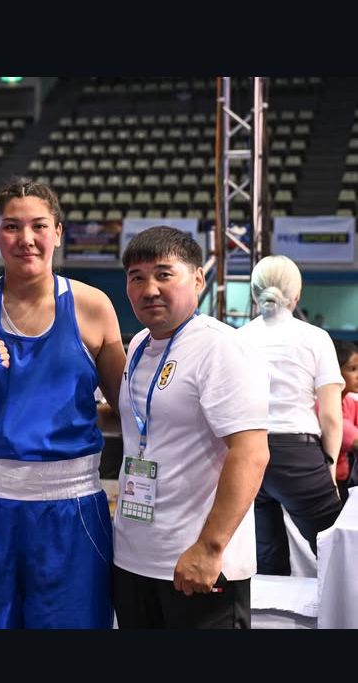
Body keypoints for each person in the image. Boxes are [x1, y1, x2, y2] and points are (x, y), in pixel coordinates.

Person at [0, 177, 126, 629]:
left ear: (58, 232)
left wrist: (73, 416)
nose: (26, 238)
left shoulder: (93, 306)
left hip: (70, 505)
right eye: (12, 227)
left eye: (38, 225)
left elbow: (126, 411)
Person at [113, 226, 270, 629]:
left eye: (164, 274)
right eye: (136, 277)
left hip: (198, 563)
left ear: (198, 279)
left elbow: (251, 452)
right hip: (134, 558)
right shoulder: (139, 345)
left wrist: (210, 547)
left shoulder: (221, 347)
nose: (149, 289)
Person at [237, 254, 343, 576]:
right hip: (298, 455)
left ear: (254, 293)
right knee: (337, 551)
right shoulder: (315, 338)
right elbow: (331, 417)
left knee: (267, 558)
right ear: (297, 294)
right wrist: (330, 465)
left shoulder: (236, 339)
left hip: (247, 452)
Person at [333, 339, 358, 502]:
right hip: (326, 482)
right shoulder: (321, 404)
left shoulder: (349, 401)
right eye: (352, 369)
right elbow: (355, 440)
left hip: (342, 479)